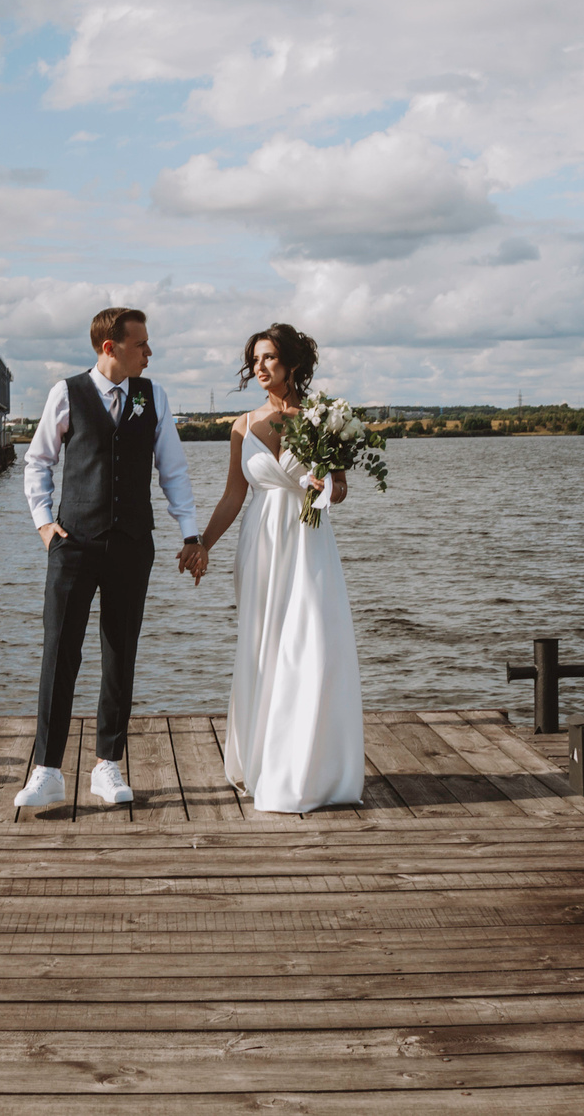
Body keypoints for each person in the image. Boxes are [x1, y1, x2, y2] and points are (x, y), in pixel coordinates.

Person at [15, 306, 202, 810]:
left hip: (131, 544)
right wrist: (43, 524)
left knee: (121, 651)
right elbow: (38, 461)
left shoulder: (153, 396)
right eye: (141, 344)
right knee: (61, 653)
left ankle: (107, 765)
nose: (149, 352)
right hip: (73, 544)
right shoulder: (67, 393)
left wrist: (190, 533)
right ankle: (47, 772)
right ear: (110, 347)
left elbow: (174, 471)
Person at [178, 323, 365, 814]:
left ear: (293, 366)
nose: (260, 368)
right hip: (260, 546)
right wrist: (202, 543)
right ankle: (263, 762)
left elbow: (339, 490)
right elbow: (234, 495)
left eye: (270, 360)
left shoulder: (324, 419)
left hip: (309, 544)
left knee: (311, 645)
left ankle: (309, 768)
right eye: (255, 360)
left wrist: (325, 484)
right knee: (264, 647)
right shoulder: (241, 425)